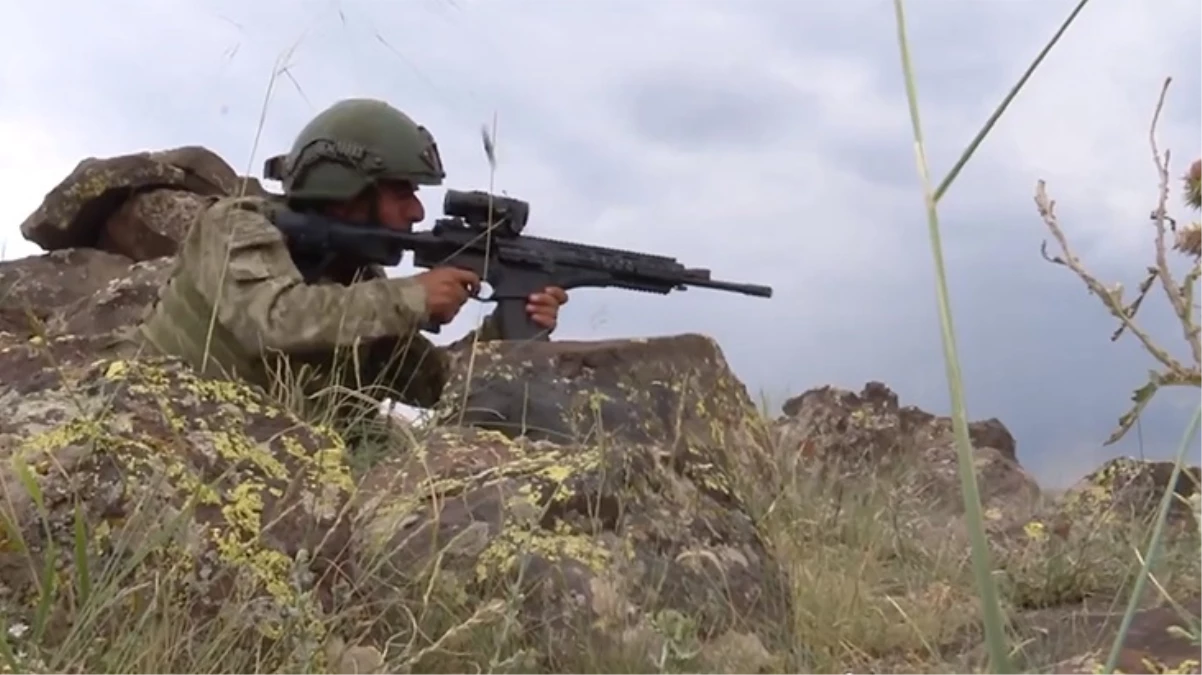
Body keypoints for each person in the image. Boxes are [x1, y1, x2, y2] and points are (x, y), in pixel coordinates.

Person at [134, 97, 569, 414]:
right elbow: (272, 320)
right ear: (345, 190)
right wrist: (413, 297)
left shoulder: (359, 281)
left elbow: (432, 385)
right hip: (156, 422)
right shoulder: (234, 224)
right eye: (402, 191)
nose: (416, 211)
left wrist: (508, 327)